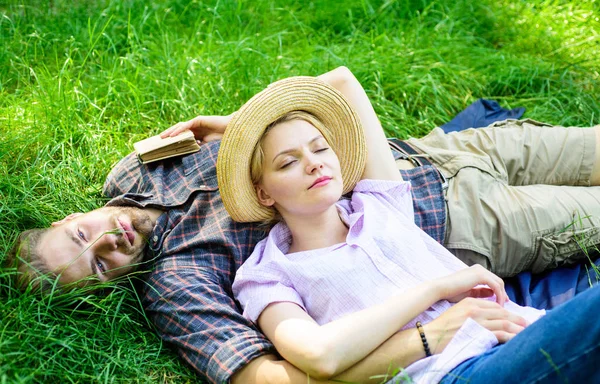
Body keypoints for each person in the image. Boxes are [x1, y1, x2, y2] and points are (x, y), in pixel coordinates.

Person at [4, 66, 600, 383]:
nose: (110, 240)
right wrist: (428, 335)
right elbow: (276, 376)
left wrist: (241, 121)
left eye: (84, 236)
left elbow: (303, 110)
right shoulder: (176, 285)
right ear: (115, 287)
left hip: (423, 154)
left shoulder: (133, 168)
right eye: (101, 264)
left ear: (72, 215)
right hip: (458, 223)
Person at [219, 72, 600, 383]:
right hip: (453, 372)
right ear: (263, 193)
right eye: (288, 163)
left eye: (320, 149)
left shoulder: (378, 202)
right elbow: (318, 355)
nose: (314, 164)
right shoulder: (267, 274)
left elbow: (344, 82)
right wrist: (437, 289)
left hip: (521, 330)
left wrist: (241, 124)